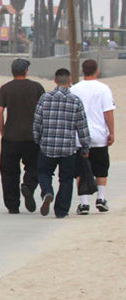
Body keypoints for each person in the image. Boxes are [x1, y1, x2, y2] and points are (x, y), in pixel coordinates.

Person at [33, 68, 90, 219]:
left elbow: (37, 121)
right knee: (66, 178)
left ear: (55, 81)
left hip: (47, 145)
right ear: (70, 80)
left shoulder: (45, 98)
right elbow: (82, 126)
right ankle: (61, 210)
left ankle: (47, 192)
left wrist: (37, 139)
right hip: (68, 147)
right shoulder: (76, 100)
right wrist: (85, 146)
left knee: (44, 172)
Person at [0, 58, 46, 214]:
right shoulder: (37, 87)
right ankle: (28, 186)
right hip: (32, 136)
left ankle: (12, 205)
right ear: (26, 71)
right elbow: (44, 110)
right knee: (35, 166)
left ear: (12, 72)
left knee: (9, 171)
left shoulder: (6, 88)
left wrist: (3, 131)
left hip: (11, 136)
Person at [71, 59, 116, 214]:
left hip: (79, 136)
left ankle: (84, 203)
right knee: (101, 167)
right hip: (99, 135)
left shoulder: (74, 89)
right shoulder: (103, 89)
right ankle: (101, 198)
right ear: (96, 71)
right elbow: (107, 112)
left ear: (83, 71)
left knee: (81, 170)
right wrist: (111, 132)